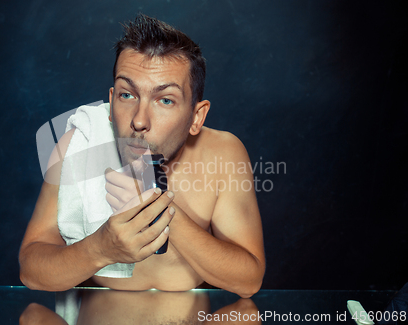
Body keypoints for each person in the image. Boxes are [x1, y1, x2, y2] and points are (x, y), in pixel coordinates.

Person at [19, 14, 265, 299]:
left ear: (197, 116)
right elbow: (31, 270)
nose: (139, 120)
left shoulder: (224, 153)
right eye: (127, 95)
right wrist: (100, 248)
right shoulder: (78, 145)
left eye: (165, 100)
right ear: (111, 104)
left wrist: (159, 208)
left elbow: (248, 280)